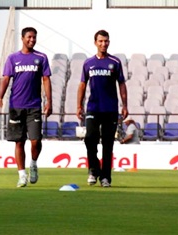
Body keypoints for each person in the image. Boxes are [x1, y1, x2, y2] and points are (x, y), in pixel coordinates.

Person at [0, 27, 52, 188]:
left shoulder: (41, 58)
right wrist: (0, 98)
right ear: (22, 38)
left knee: (35, 140)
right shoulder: (13, 58)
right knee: (19, 142)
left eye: (34, 37)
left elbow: (46, 80)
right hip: (16, 106)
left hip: (34, 106)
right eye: (29, 37)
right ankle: (22, 175)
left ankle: (33, 164)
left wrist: (49, 101)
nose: (32, 40)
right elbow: (6, 79)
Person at [77, 30, 128, 188]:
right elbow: (82, 84)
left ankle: (105, 177)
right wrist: (79, 105)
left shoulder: (115, 62)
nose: (103, 44)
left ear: (109, 42)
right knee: (90, 139)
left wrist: (125, 105)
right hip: (93, 107)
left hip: (110, 109)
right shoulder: (88, 63)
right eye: (100, 41)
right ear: (95, 42)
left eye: (106, 41)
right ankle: (93, 170)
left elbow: (121, 84)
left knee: (108, 143)